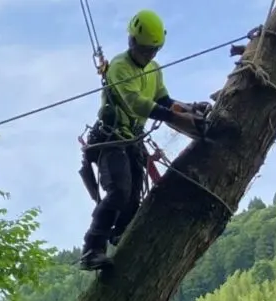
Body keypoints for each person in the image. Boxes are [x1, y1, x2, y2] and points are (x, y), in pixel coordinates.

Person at [79, 9, 211, 270]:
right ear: (132, 42)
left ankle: (121, 233)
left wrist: (187, 108)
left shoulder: (154, 69)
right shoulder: (119, 67)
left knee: (134, 198)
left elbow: (163, 100)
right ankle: (92, 249)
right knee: (118, 191)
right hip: (111, 139)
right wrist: (176, 118)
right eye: (145, 49)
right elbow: (137, 103)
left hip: (131, 141)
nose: (149, 55)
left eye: (153, 50)